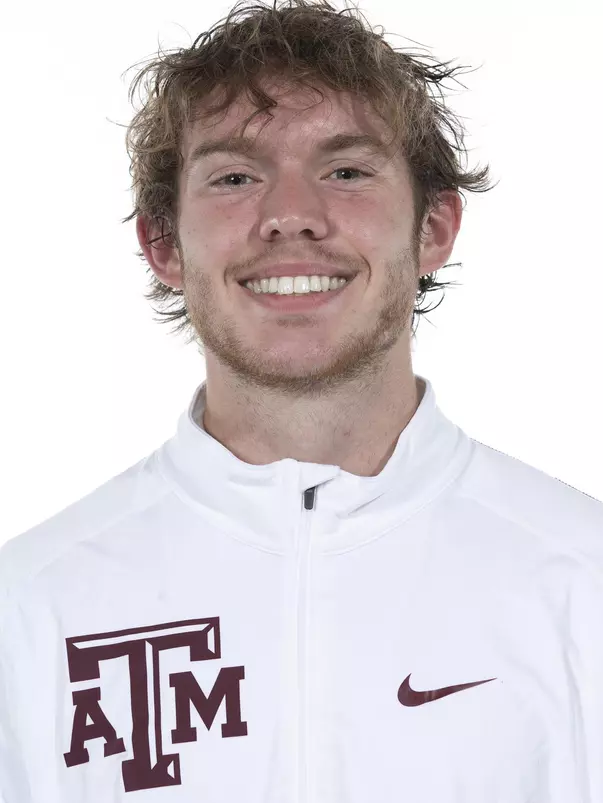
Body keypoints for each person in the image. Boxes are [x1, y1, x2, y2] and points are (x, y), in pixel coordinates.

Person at [1, 0, 602, 800]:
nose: (290, 216)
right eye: (236, 177)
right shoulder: (30, 606)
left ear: (433, 228)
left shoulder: (581, 577)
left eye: (345, 170)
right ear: (161, 244)